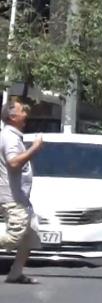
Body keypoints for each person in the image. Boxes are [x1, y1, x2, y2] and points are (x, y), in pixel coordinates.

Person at [0, 100, 43, 284]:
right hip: (12, 196)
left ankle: (16, 273)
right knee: (14, 236)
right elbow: (14, 163)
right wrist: (35, 148)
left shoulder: (13, 136)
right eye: (21, 110)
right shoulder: (9, 137)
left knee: (31, 234)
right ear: (12, 116)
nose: (25, 112)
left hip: (21, 196)